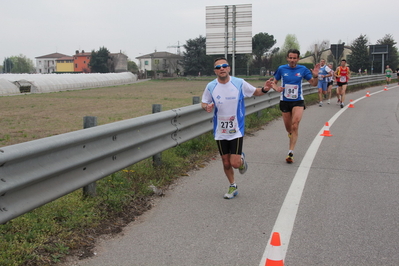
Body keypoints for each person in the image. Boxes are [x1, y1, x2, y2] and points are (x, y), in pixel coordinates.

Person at [201, 57, 273, 199]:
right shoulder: (211, 86)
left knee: (234, 163)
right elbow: (204, 102)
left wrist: (265, 89)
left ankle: (241, 160)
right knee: (225, 161)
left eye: (224, 66)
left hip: (236, 129)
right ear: (215, 71)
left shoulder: (239, 83)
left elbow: (255, 92)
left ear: (229, 68)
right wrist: (206, 107)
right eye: (218, 67)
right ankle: (232, 186)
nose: (221, 68)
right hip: (220, 131)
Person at [271, 49, 320, 164]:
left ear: (298, 59)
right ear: (287, 58)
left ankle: (290, 152)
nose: (292, 60)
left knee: (295, 124)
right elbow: (274, 82)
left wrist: (316, 76)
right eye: (290, 58)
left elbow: (313, 83)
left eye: (295, 58)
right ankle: (291, 135)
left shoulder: (302, 69)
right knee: (289, 128)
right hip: (285, 101)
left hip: (298, 100)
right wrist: (276, 88)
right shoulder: (282, 69)